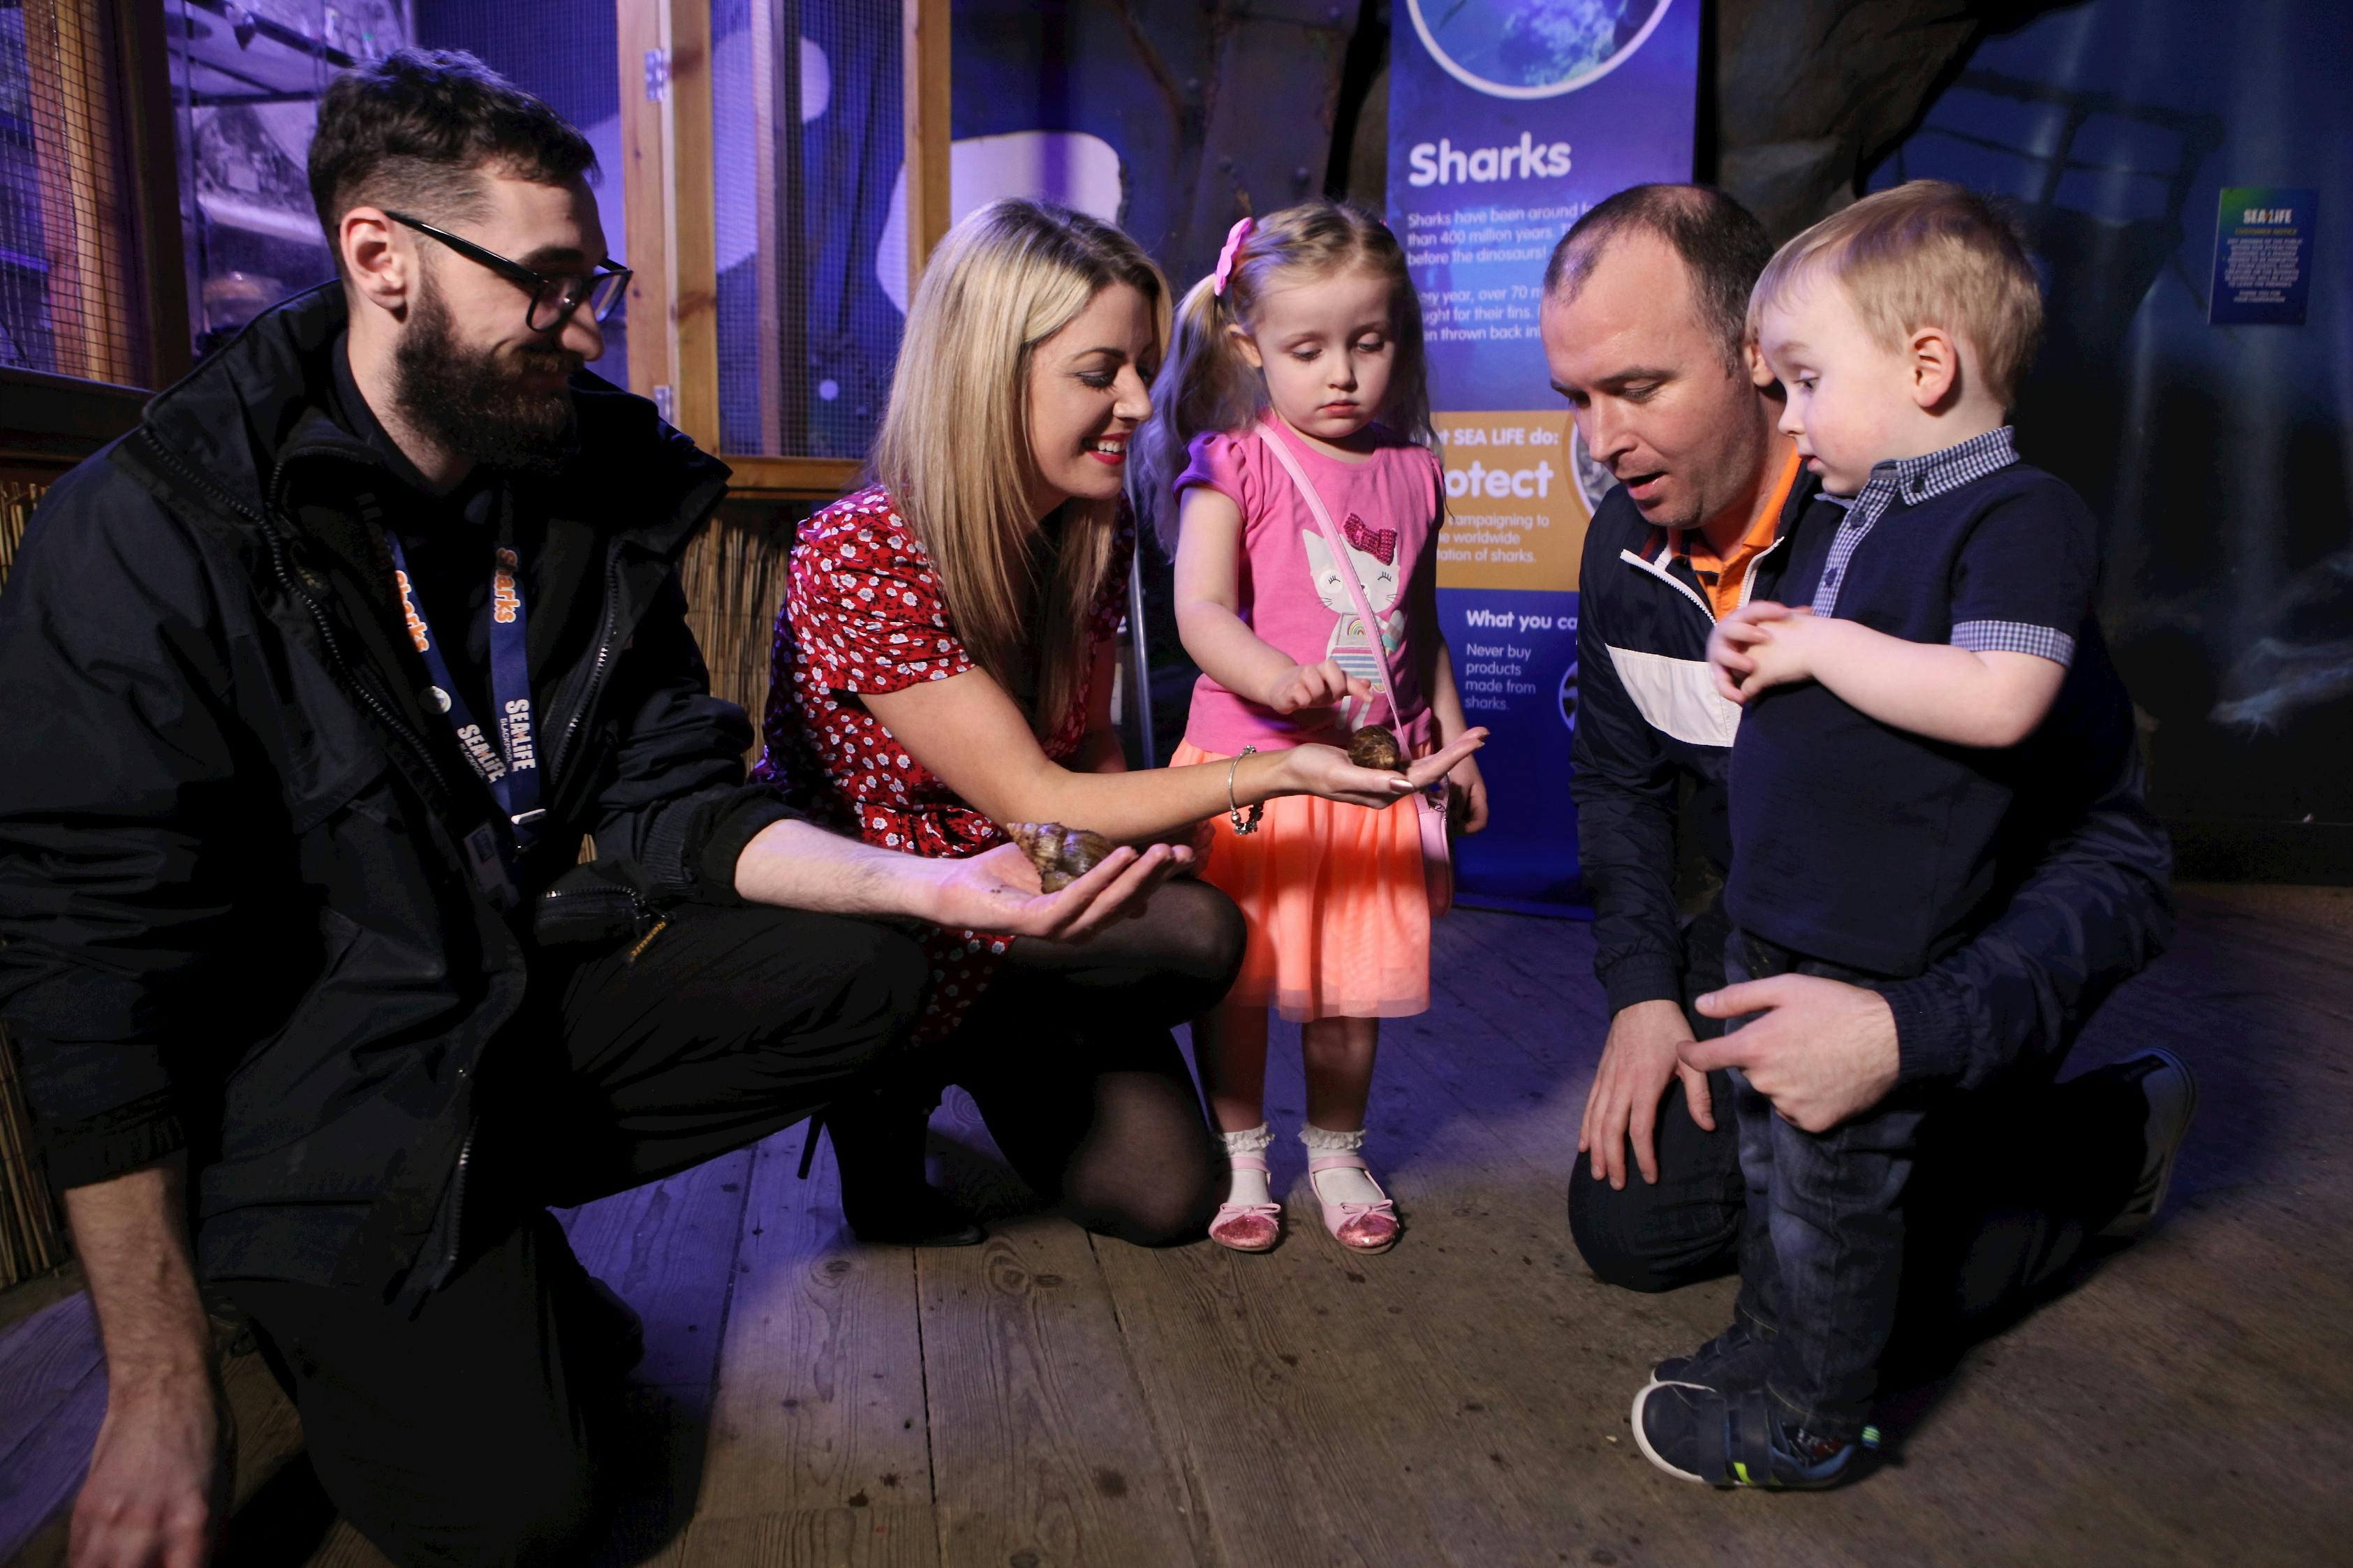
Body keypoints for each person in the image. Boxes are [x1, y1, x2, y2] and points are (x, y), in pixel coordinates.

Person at [0, 53, 1197, 1568]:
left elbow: (679, 802)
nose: (588, 320)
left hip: (504, 991)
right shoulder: (152, 531)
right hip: (316, 1080)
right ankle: (273, 1304)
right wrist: (155, 1381)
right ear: (382, 259)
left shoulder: (572, 484)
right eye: (549, 283)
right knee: (525, 1508)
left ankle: (479, 1267)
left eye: (596, 277)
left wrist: (938, 890)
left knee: (870, 966)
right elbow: (91, 980)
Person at [1542, 185, 2190, 1485]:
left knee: (1874, 1288)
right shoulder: (1621, 551)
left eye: (1636, 386)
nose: (1598, 440)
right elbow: (1617, 791)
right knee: (1632, 1222)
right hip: (1782, 936)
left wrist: (1909, 1031)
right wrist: (1644, 998)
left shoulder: (1962, 540)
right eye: (1574, 398)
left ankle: (2110, 1139)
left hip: (1949, 960)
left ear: (1752, 359)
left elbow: (2120, 865)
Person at [755, 198, 1486, 1250]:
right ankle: (885, 1087)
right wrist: (1272, 777)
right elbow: (1039, 796)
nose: (1141, 402)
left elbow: (1082, 747)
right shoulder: (858, 550)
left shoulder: (1084, 536)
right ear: (987, 373)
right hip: (898, 912)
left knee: (1165, 1186)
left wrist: (1146, 841)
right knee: (1203, 926)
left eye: (1142, 366)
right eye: (1102, 373)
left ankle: (1014, 1038)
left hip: (1032, 896)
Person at [1128, 201, 1487, 1255]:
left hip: (1375, 777)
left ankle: (1335, 1147)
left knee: (1350, 985)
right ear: (1249, 345)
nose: (1342, 374)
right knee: (1241, 976)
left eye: (1367, 344)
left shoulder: (1414, 472)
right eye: (1308, 348)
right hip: (1253, 777)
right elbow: (1198, 611)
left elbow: (1418, 629)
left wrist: (1446, 744)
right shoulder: (1231, 462)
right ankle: (1242, 1153)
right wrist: (1275, 677)